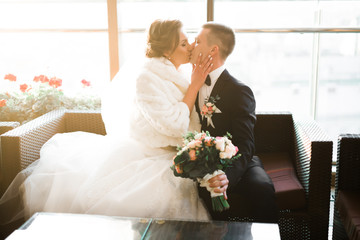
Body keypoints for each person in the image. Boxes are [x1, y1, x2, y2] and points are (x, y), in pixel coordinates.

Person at [0, 19, 214, 226]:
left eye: (189, 41)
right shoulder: (147, 77)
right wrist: (194, 86)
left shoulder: (177, 71)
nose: (191, 47)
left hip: (172, 152)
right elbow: (172, 123)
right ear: (166, 50)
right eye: (183, 44)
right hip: (152, 154)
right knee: (168, 195)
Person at [190, 22, 278, 223]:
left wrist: (226, 175)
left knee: (262, 188)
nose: (192, 45)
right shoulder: (191, 85)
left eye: (197, 41)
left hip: (240, 163)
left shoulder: (239, 90)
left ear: (213, 50)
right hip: (204, 163)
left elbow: (245, 145)